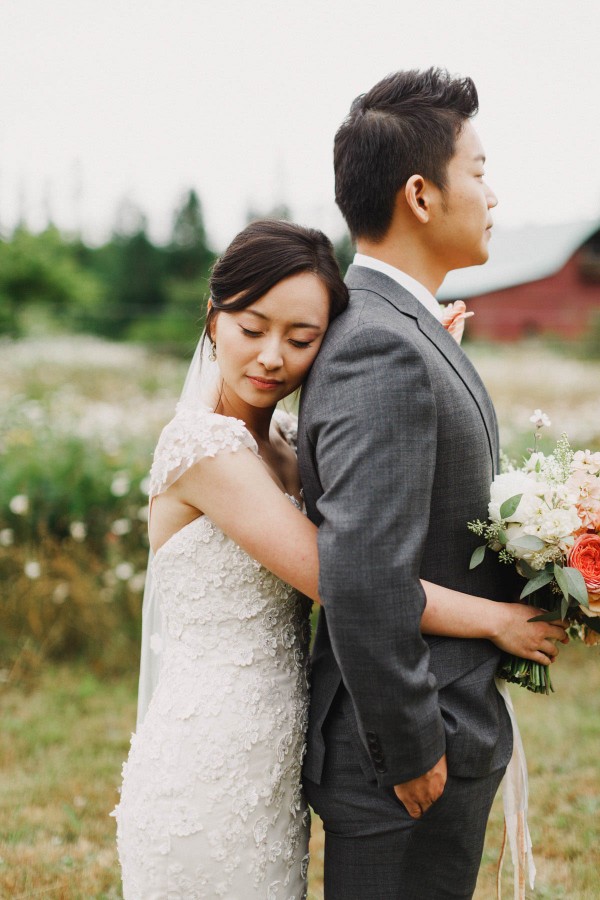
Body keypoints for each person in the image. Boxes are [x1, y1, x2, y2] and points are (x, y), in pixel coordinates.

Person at [112, 216, 564, 899]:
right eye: (251, 329)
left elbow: (373, 507)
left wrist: (421, 363)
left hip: (278, 754)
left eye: (301, 339)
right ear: (212, 321)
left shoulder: (290, 443)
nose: (271, 357)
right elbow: (343, 576)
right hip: (209, 756)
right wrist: (494, 619)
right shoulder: (204, 452)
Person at [296, 68, 568, 899]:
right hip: (410, 757)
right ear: (421, 193)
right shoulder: (382, 344)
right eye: (478, 171)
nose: (491, 194)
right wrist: (412, 747)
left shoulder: (404, 324)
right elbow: (364, 571)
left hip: (442, 733)